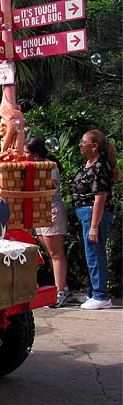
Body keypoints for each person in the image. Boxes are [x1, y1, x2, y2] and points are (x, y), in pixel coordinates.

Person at [72, 130, 120, 310]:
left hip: (94, 214)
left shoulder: (99, 167)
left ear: (94, 146)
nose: (80, 145)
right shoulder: (88, 164)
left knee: (95, 253)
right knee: (90, 253)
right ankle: (93, 292)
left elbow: (100, 197)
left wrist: (94, 226)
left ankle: (101, 295)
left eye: (83, 142)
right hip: (84, 213)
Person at [25, 137, 70, 307]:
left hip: (52, 210)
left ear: (36, 155)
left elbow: (50, 189)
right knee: (49, 252)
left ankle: (60, 291)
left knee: (56, 253)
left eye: (27, 152)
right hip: (40, 211)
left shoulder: (50, 167)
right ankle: (59, 286)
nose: (24, 155)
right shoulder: (34, 166)